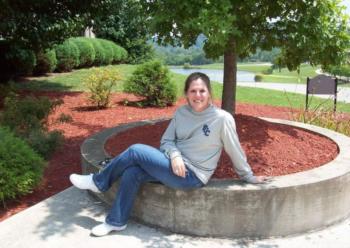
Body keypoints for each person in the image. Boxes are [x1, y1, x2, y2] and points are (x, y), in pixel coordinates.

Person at [69, 72, 269, 236]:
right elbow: (166, 141)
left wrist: (248, 176)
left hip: (192, 175)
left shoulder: (221, 119)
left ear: (209, 93)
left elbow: (234, 148)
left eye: (202, 91)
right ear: (186, 93)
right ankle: (116, 221)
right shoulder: (181, 113)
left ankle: (99, 182)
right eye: (193, 91)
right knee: (132, 172)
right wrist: (175, 156)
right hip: (172, 165)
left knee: (136, 150)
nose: (197, 95)